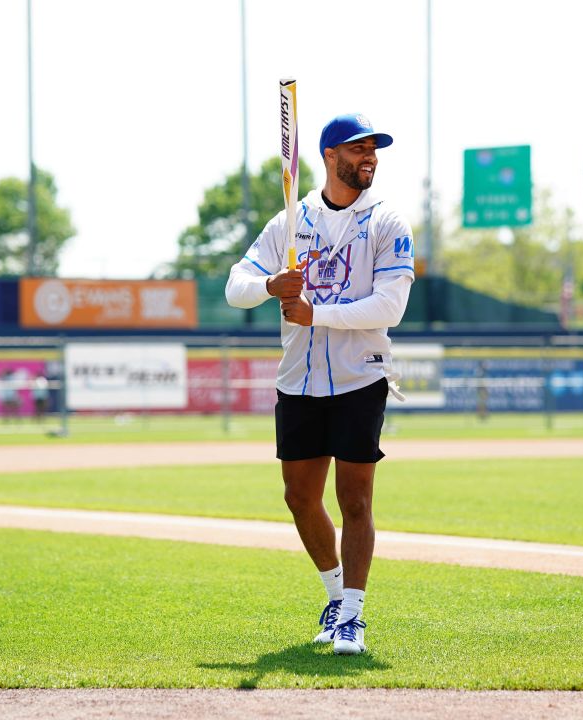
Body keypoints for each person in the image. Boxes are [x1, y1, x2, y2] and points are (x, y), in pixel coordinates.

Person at [225, 113, 415, 655]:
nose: (370, 157)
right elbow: (235, 286)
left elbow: (391, 307)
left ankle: (353, 613)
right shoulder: (291, 219)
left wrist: (317, 313)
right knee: (298, 497)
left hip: (361, 375)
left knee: (354, 500)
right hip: (299, 378)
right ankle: (333, 596)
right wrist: (269, 283)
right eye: (358, 150)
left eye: (375, 149)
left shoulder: (387, 222)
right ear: (330, 156)